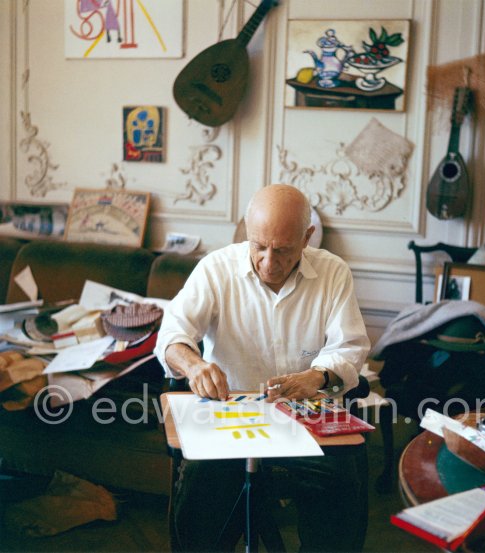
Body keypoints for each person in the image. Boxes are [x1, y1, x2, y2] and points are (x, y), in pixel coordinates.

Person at [155, 184, 370, 552]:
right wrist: (193, 366)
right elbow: (171, 336)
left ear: (307, 238)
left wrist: (316, 376)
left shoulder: (333, 273)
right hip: (227, 420)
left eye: (284, 250)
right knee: (200, 501)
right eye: (259, 247)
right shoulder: (216, 269)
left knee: (341, 490)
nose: (269, 263)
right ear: (246, 233)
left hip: (305, 419)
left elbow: (349, 347)